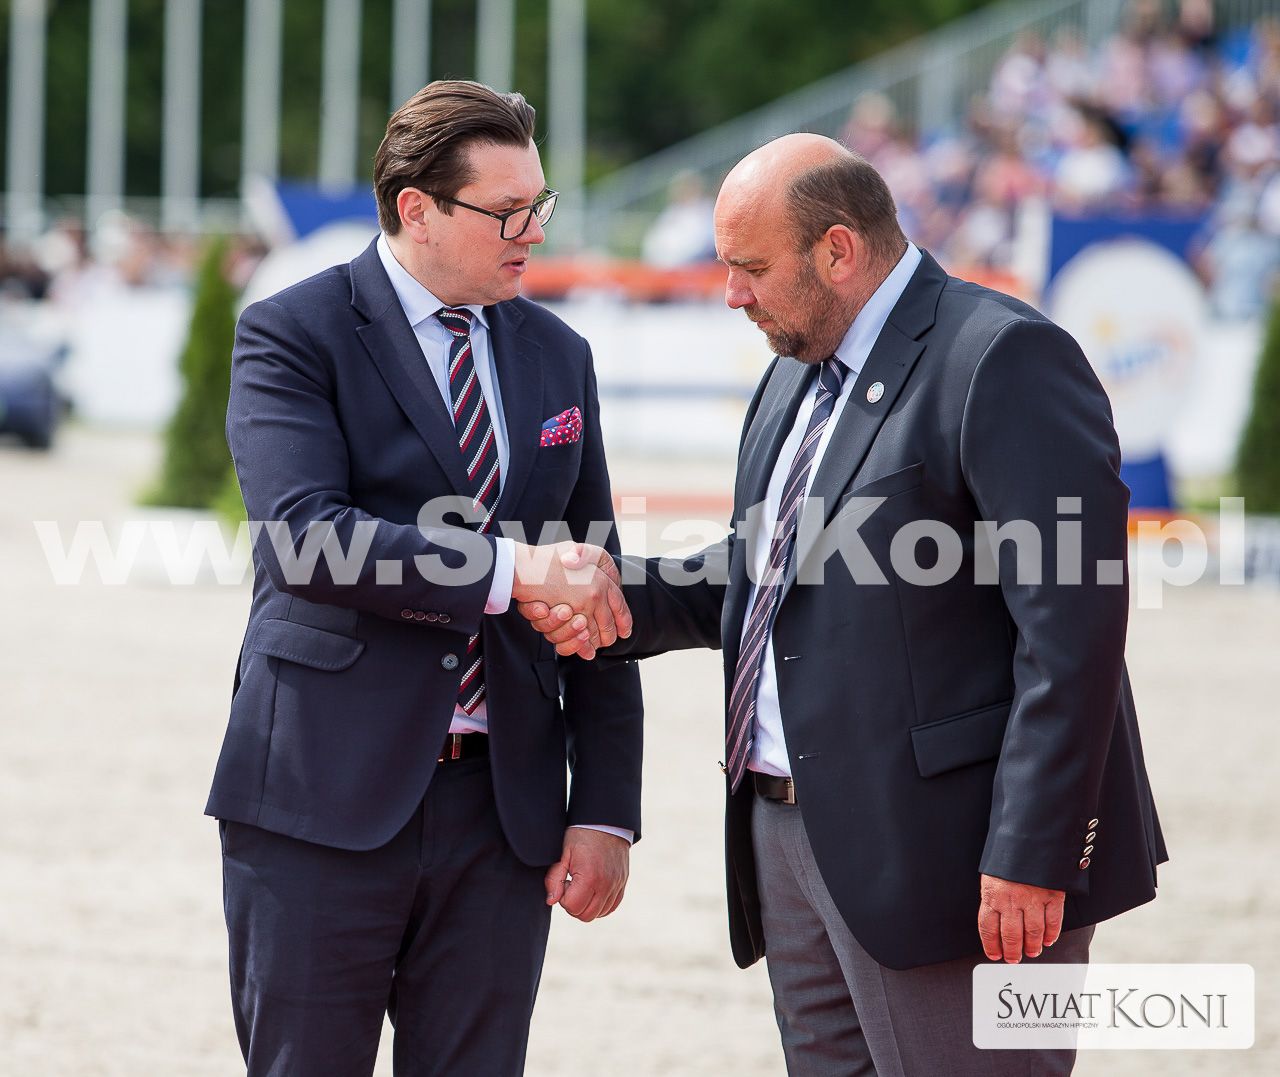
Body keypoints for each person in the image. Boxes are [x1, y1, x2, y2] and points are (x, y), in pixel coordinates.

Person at [521, 133, 1167, 1075]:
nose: (731, 294)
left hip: (960, 856)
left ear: (837, 250)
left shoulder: (1004, 356)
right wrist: (615, 597)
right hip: (788, 839)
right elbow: (766, 570)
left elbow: (1073, 633)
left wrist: (1035, 849)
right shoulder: (792, 369)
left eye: (751, 269)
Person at [205, 80, 642, 1076]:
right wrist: (508, 570)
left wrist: (603, 807)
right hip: (320, 800)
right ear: (417, 208)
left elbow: (594, 583)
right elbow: (304, 539)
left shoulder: (558, 354)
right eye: (508, 211)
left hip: (504, 815)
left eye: (540, 204)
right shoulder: (293, 331)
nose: (534, 232)